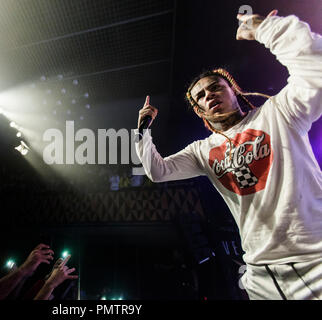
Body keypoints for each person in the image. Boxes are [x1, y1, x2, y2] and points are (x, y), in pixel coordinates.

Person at [136, 9, 321, 300]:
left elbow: (317, 67)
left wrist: (265, 28)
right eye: (201, 96)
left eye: (215, 88)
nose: (209, 95)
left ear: (233, 91)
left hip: (314, 258)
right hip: (261, 274)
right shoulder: (202, 150)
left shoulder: (279, 112)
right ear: (200, 111)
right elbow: (157, 171)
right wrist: (142, 134)